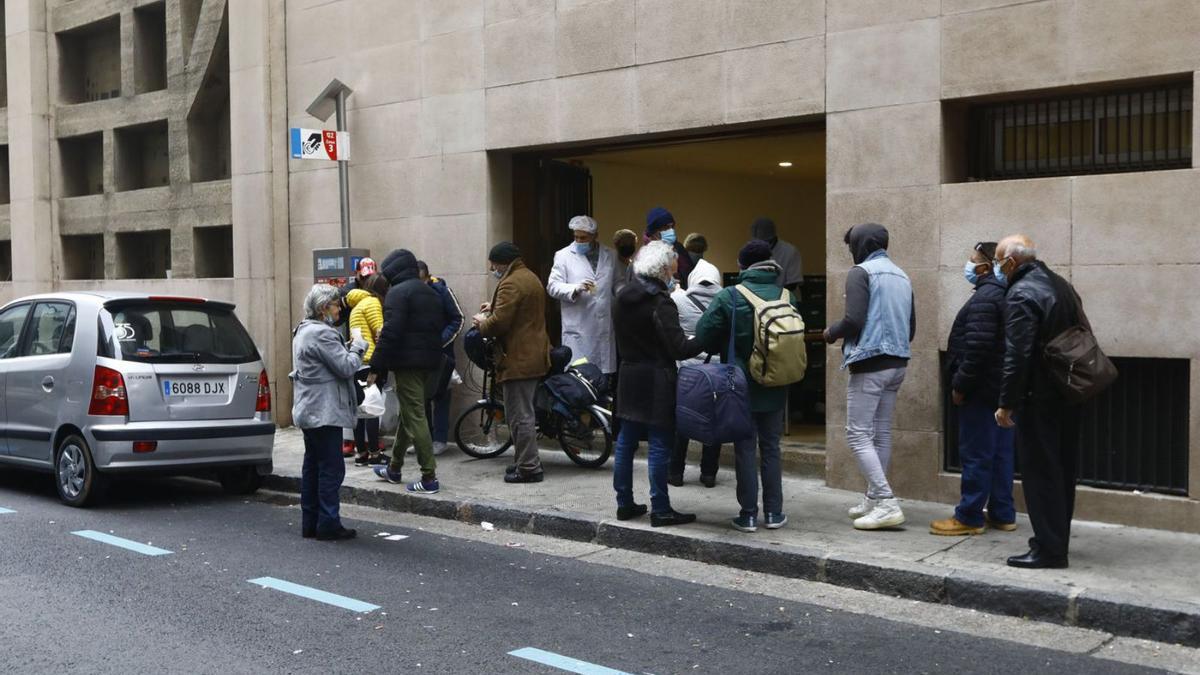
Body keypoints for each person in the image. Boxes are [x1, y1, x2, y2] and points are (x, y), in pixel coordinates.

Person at [695, 240, 799, 532]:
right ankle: (775, 513)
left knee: (745, 448)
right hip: (777, 384)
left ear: (742, 266)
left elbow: (703, 333)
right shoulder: (787, 296)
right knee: (771, 447)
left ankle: (749, 514)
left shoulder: (730, 296)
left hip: (739, 385)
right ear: (770, 263)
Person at [993, 234, 1083, 569]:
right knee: (1062, 470)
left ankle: (1049, 549)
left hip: (1039, 396)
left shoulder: (1020, 293)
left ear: (1012, 262)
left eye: (1000, 261)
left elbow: (1018, 355)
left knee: (1041, 473)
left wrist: (1006, 402)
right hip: (1068, 391)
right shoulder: (1061, 284)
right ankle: (1057, 539)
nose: (998, 268)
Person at [823, 223, 916, 531]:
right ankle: (874, 498)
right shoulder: (902, 275)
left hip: (871, 362)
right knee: (881, 433)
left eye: (851, 245)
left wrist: (831, 333)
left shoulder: (860, 272)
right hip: (898, 362)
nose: (850, 250)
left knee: (858, 434)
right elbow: (911, 326)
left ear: (861, 244)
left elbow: (853, 320)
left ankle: (886, 501)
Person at [611, 241, 704, 527]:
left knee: (626, 442)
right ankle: (660, 508)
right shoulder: (660, 302)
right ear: (663, 269)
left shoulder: (621, 296)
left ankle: (624, 503)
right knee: (660, 443)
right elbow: (677, 347)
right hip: (656, 378)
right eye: (674, 271)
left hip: (628, 374)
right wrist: (705, 339)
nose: (675, 276)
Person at [931, 242, 1015, 536]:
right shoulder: (1003, 294)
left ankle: (968, 516)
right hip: (1000, 388)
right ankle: (1003, 513)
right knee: (1001, 453)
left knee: (977, 453)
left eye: (971, 261)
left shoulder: (985, 298)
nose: (967, 266)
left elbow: (977, 349)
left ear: (984, 266)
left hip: (981, 390)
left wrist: (960, 385)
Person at [290, 284, 368, 541]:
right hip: (324, 410)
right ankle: (328, 523)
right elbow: (346, 367)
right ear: (324, 308)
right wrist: (358, 346)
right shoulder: (322, 334)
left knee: (313, 466)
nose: (338, 311)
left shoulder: (304, 330)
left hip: (309, 409)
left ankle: (310, 522)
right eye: (335, 306)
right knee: (331, 469)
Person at [473, 242, 552, 483]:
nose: (492, 268)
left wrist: (481, 323)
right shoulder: (528, 276)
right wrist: (494, 306)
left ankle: (529, 467)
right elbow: (520, 312)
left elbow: (499, 324)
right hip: (534, 353)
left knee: (520, 416)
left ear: (502, 263)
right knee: (522, 412)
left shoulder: (510, 282)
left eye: (493, 264)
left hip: (519, 357)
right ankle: (522, 461)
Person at [371, 249, 446, 495]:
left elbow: (391, 332)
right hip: (432, 362)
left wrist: (376, 365)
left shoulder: (397, 293)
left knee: (415, 416)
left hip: (407, 364)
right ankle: (394, 468)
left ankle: (429, 477)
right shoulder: (430, 292)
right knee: (409, 413)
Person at [669, 259, 723, 488]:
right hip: (717, 370)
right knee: (714, 421)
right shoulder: (726, 299)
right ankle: (709, 473)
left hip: (687, 370)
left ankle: (675, 473)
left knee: (682, 422)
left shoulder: (678, 298)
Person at [547, 215, 618, 377]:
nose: (579, 241)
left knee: (604, 379)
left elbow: (618, 282)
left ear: (595, 236)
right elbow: (552, 286)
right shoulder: (563, 256)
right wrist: (574, 289)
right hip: (578, 328)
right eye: (576, 237)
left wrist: (622, 292)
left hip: (604, 326)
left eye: (583, 238)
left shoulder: (610, 255)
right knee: (580, 379)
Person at [418, 260, 464, 455]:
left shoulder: (442, 291)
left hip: (441, 353)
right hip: (419, 354)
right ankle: (424, 438)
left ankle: (440, 438)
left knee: (441, 396)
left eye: (421, 280)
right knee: (421, 398)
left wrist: (440, 341)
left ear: (428, 277)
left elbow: (458, 319)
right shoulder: (412, 294)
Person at [346, 273, 391, 467]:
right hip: (370, 362)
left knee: (360, 410)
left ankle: (361, 453)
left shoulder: (357, 305)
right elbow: (381, 333)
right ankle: (374, 453)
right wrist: (380, 363)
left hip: (357, 361)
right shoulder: (372, 304)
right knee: (372, 409)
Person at [644, 207, 692, 290]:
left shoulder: (678, 248)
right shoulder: (645, 255)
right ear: (655, 232)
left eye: (672, 227)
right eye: (666, 228)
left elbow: (689, 274)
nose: (671, 231)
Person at [750, 217, 803, 291]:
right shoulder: (751, 251)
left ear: (773, 238)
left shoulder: (790, 251)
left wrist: (775, 297)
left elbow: (792, 283)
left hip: (784, 297)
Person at [612, 229, 638, 295]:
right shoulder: (610, 264)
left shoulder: (635, 265)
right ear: (616, 245)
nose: (628, 245)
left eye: (631, 243)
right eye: (625, 243)